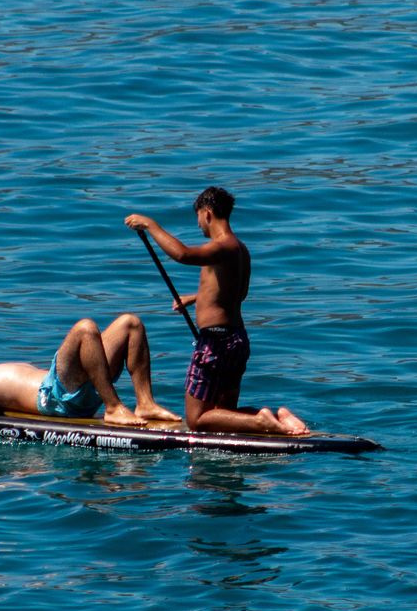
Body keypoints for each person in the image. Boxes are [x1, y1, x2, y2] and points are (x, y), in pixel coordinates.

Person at [123, 186, 309, 436]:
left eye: (198, 217)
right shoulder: (240, 249)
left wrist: (151, 225)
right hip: (236, 339)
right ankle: (278, 419)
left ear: (207, 213)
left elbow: (183, 254)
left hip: (217, 343)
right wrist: (196, 298)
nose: (199, 224)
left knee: (197, 419)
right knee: (222, 414)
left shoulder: (222, 246)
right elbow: (237, 293)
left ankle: (260, 421)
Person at [0, 314, 179, 427]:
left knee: (131, 323)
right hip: (54, 397)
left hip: (73, 388)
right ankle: (114, 406)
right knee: (84, 328)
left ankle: (145, 403)